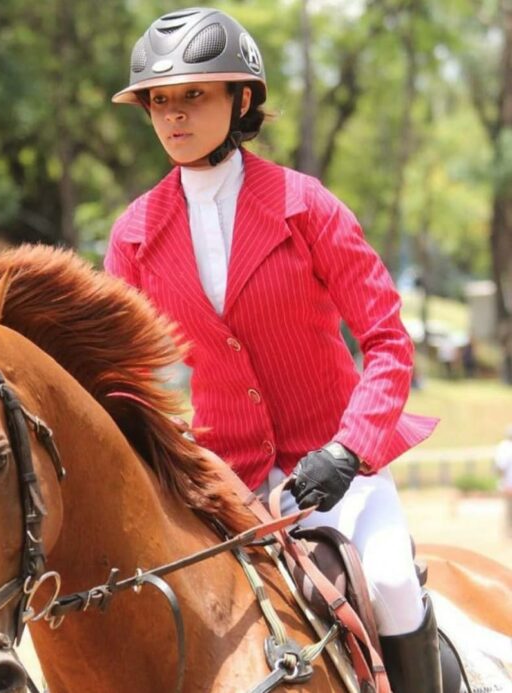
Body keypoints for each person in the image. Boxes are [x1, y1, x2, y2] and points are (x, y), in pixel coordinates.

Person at [105, 8, 440, 692]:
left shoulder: (306, 206)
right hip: (221, 482)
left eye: (194, 95)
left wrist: (348, 451)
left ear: (244, 98)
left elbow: (386, 341)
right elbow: (119, 379)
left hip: (336, 467)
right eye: (159, 101)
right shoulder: (134, 233)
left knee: (390, 579)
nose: (173, 115)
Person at [494, 425, 512, 537]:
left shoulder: (503, 447)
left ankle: (508, 532)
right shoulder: (505, 447)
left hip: (508, 484)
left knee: (509, 509)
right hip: (508, 484)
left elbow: (500, 467)